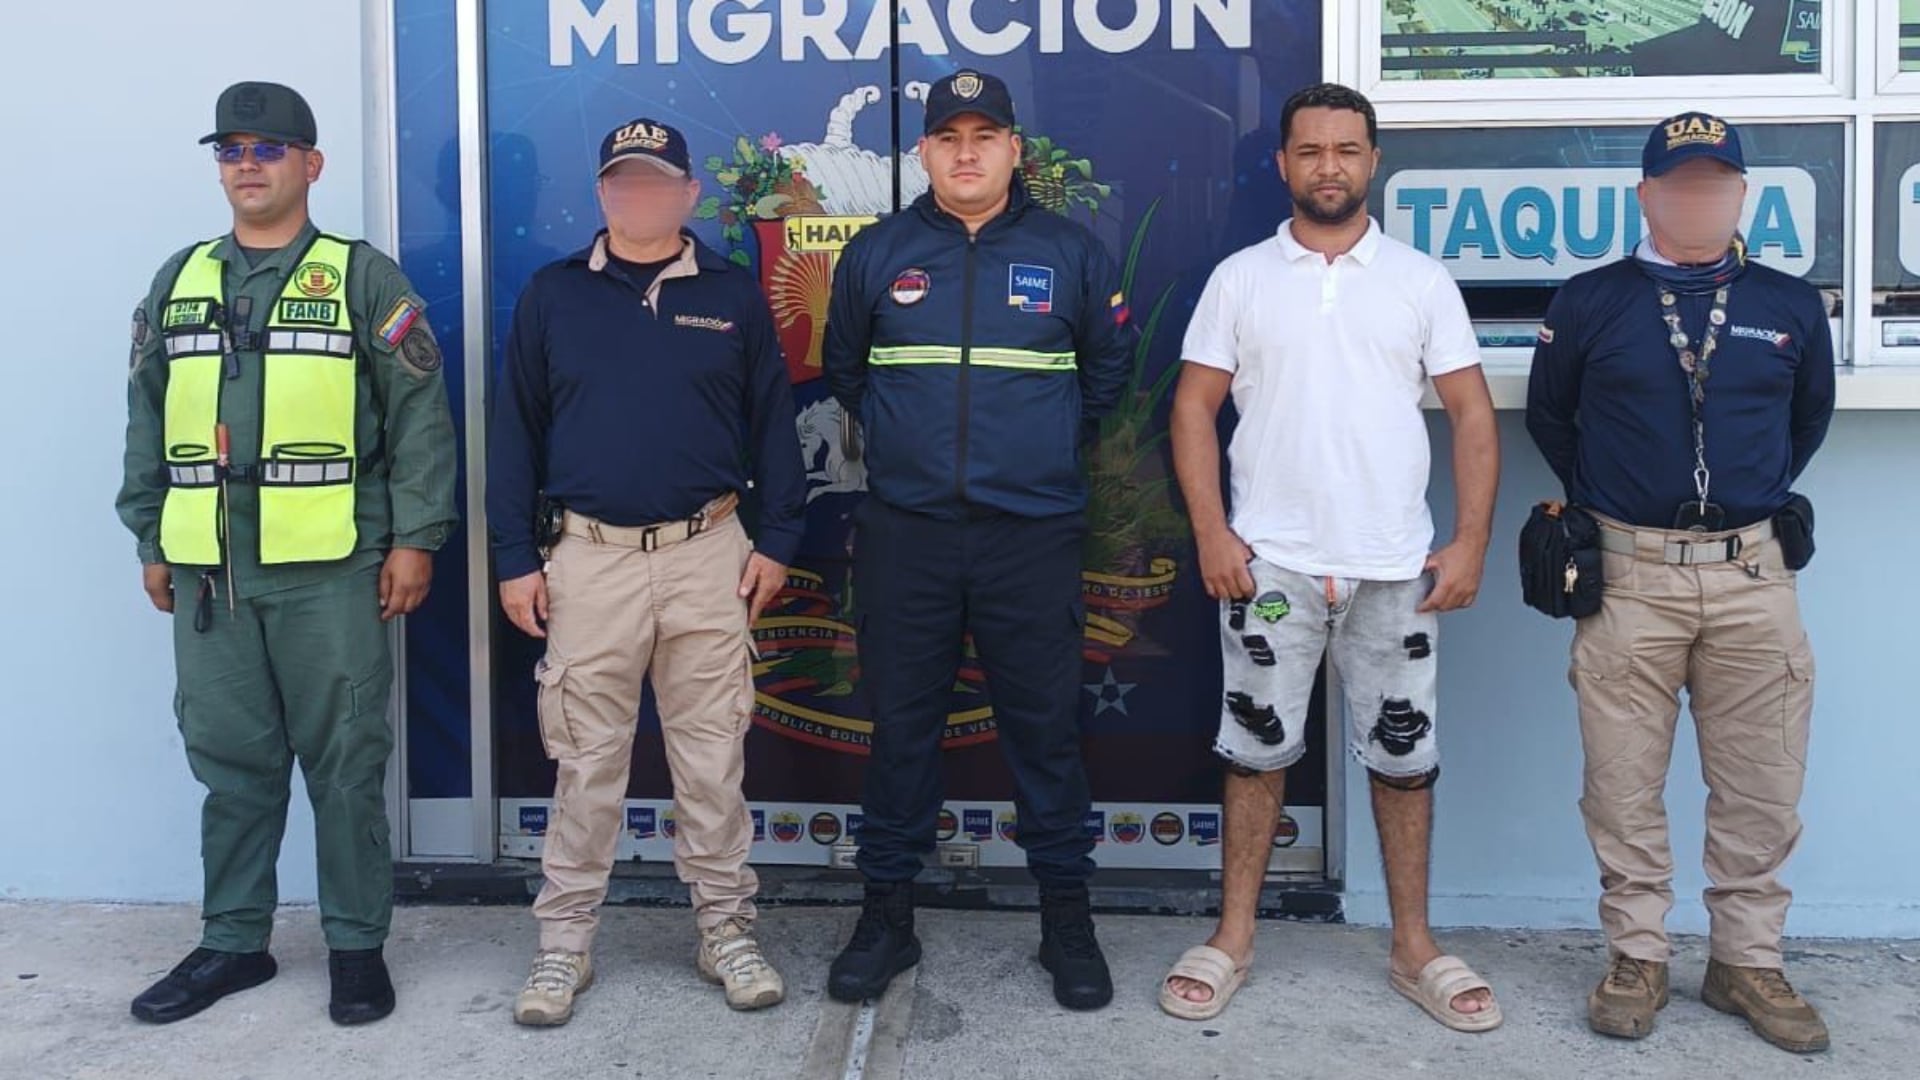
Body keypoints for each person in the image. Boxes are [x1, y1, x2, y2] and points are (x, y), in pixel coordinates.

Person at [1162, 83, 1503, 1033]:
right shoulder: (1241, 278)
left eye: (1347, 151)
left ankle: (1413, 947)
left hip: (1396, 573)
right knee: (1254, 752)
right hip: (1270, 572)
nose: (1329, 168)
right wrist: (1212, 533)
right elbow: (1193, 407)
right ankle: (1232, 938)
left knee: (1405, 762)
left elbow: (1472, 414)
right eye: (1310, 151)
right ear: (1282, 164)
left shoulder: (1419, 280)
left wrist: (1468, 539)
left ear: (1372, 160)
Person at [117, 81, 458, 1026]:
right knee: (231, 763)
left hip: (332, 570)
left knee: (345, 764)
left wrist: (416, 539)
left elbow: (420, 420)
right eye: (230, 149)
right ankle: (233, 942)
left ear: (311, 165)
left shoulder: (363, 278)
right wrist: (152, 535)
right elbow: (146, 416)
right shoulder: (180, 277)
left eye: (267, 149)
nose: (247, 165)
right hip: (209, 575)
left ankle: (356, 946)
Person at [820, 70, 1135, 1010]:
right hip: (906, 536)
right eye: (948, 136)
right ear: (921, 152)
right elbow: (847, 375)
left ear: (1013, 150)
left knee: (1044, 732)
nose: (966, 151)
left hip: (1030, 537)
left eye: (984, 135)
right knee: (901, 731)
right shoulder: (876, 254)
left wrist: (1028, 457)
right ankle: (887, 919)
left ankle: (1066, 923)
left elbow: (1105, 379)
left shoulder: (1071, 253)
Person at [1526, 111, 1836, 1053]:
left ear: (1741, 194)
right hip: (1629, 577)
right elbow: (1553, 421)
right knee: (1621, 782)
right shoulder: (1589, 301)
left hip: (1753, 575)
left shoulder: (1789, 305)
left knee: (1762, 783)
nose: (1696, 199)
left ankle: (1747, 960)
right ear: (1646, 196)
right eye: (1679, 184)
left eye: (1715, 184)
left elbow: (1804, 425)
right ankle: (1638, 955)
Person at [487, 117, 807, 1023]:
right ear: (601, 195)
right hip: (589, 560)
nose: (640, 196)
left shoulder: (734, 295)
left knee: (712, 760)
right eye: (623, 182)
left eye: (657, 182)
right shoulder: (552, 296)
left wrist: (777, 540)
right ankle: (564, 947)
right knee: (586, 765)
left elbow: (773, 429)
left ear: (689, 194)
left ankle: (726, 932)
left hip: (711, 554)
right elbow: (515, 434)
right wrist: (515, 558)